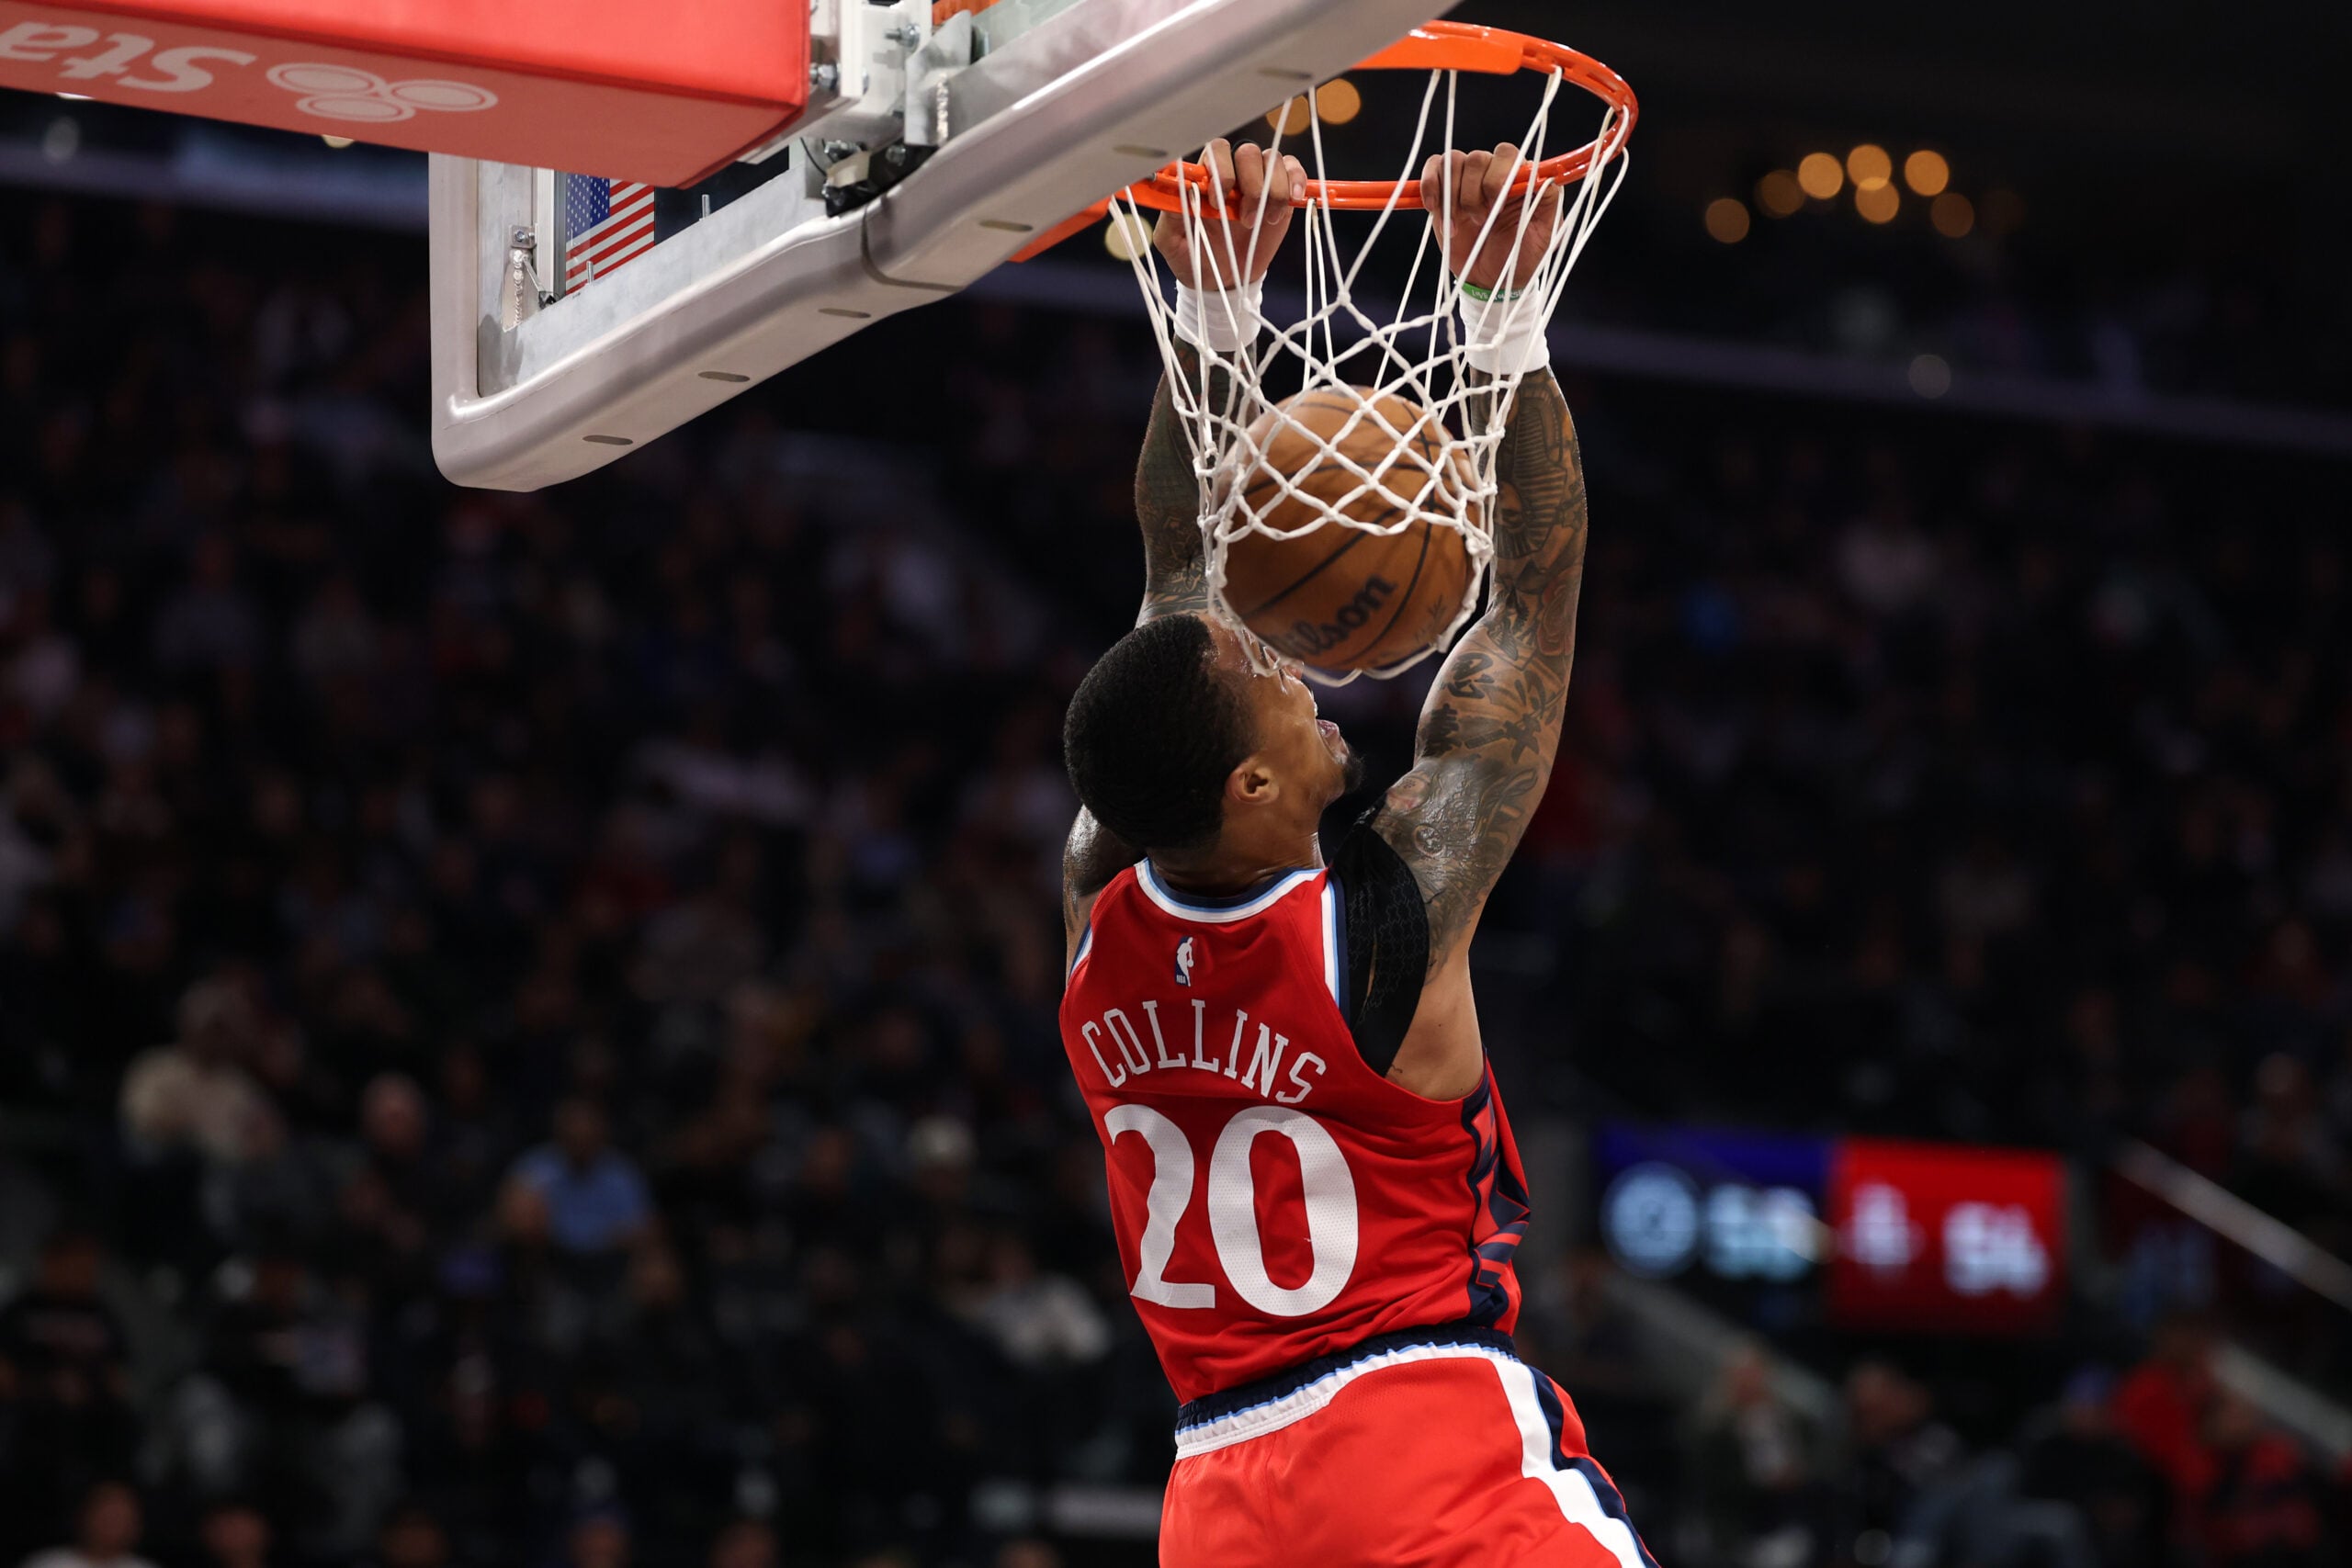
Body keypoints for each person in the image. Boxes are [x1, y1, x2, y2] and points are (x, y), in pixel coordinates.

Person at [1057, 140, 1647, 1565]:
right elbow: (1533, 609)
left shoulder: (1103, 895)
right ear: (1252, 779)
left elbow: (1175, 598)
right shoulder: (1385, 917)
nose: (1309, 680)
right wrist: (1501, 310)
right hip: (1416, 1438)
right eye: (1280, 690)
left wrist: (1213, 324)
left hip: (1217, 1495)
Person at [18, 1481, 160, 1568]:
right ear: (84, 1516)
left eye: (121, 1518)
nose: (113, 1525)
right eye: (107, 1516)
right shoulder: (46, 1564)